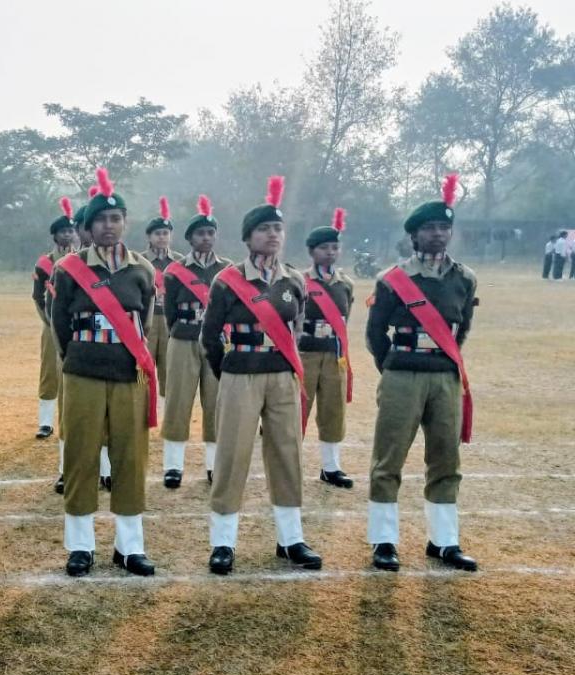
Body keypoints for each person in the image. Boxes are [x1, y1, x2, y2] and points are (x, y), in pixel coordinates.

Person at [200, 176, 322, 575]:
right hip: (240, 374)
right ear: (248, 237)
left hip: (282, 376)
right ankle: (223, 542)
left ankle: (291, 539)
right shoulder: (227, 281)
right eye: (264, 229)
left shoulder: (294, 280)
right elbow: (209, 337)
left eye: (277, 229)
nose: (272, 235)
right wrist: (229, 373)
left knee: (287, 454)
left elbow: (296, 332)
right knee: (232, 455)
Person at [366, 173, 478, 573]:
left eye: (444, 227)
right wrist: (394, 366)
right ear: (414, 235)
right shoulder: (392, 280)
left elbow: (461, 329)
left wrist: (443, 361)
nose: (437, 234)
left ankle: (444, 541)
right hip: (402, 375)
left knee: (446, 459)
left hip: (444, 378)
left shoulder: (464, 278)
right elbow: (375, 333)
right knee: (388, 460)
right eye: (429, 228)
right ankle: (384, 541)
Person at [50, 167, 158, 578]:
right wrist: (77, 356)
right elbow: (60, 323)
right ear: (89, 227)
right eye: (100, 220)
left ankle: (130, 547)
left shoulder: (142, 270)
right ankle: (81, 546)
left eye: (115, 219)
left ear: (125, 222)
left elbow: (145, 323)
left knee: (130, 457)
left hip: (128, 373)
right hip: (83, 372)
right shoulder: (69, 269)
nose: (108, 226)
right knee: (81, 456)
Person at [160, 195, 228, 488]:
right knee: (178, 401)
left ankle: (214, 465)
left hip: (216, 342)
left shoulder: (228, 270)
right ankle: (173, 466)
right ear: (189, 238)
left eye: (211, 232)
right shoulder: (174, 271)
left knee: (216, 402)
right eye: (200, 233)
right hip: (183, 338)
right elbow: (170, 312)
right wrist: (180, 332)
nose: (206, 237)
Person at [299, 209, 355, 489]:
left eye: (334, 247)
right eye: (324, 248)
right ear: (312, 251)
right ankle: (289, 463)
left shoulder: (346, 284)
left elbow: (345, 319)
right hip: (305, 352)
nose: (330, 252)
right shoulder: (299, 281)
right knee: (297, 409)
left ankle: (330, 467)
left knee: (333, 412)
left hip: (334, 354)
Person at [33, 197, 78, 440]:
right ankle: (45, 422)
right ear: (55, 235)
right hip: (51, 325)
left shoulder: (81, 260)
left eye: (71, 231)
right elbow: (37, 296)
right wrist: (49, 321)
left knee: (75, 371)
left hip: (77, 325)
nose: (68, 235)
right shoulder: (44, 263)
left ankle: (72, 420)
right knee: (50, 372)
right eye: (63, 231)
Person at [141, 197, 180, 412]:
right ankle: (142, 409)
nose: (162, 237)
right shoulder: (139, 261)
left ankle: (166, 413)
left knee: (169, 368)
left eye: (165, 233)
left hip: (170, 320)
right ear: (149, 236)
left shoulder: (180, 262)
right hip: (146, 320)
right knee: (143, 367)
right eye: (157, 233)